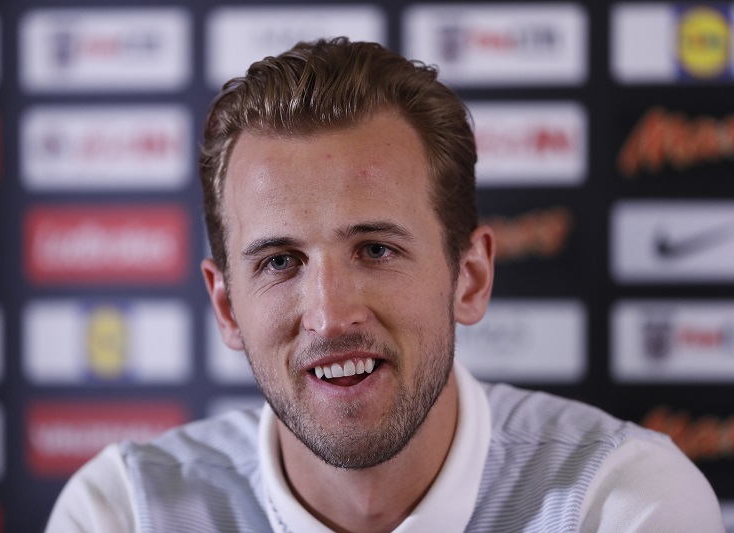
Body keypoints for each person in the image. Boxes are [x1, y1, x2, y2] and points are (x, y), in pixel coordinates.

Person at [45, 37, 724, 532]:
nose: (330, 313)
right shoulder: (121, 511)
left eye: (375, 248)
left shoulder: (623, 502)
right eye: (280, 261)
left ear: (471, 276)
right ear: (226, 305)